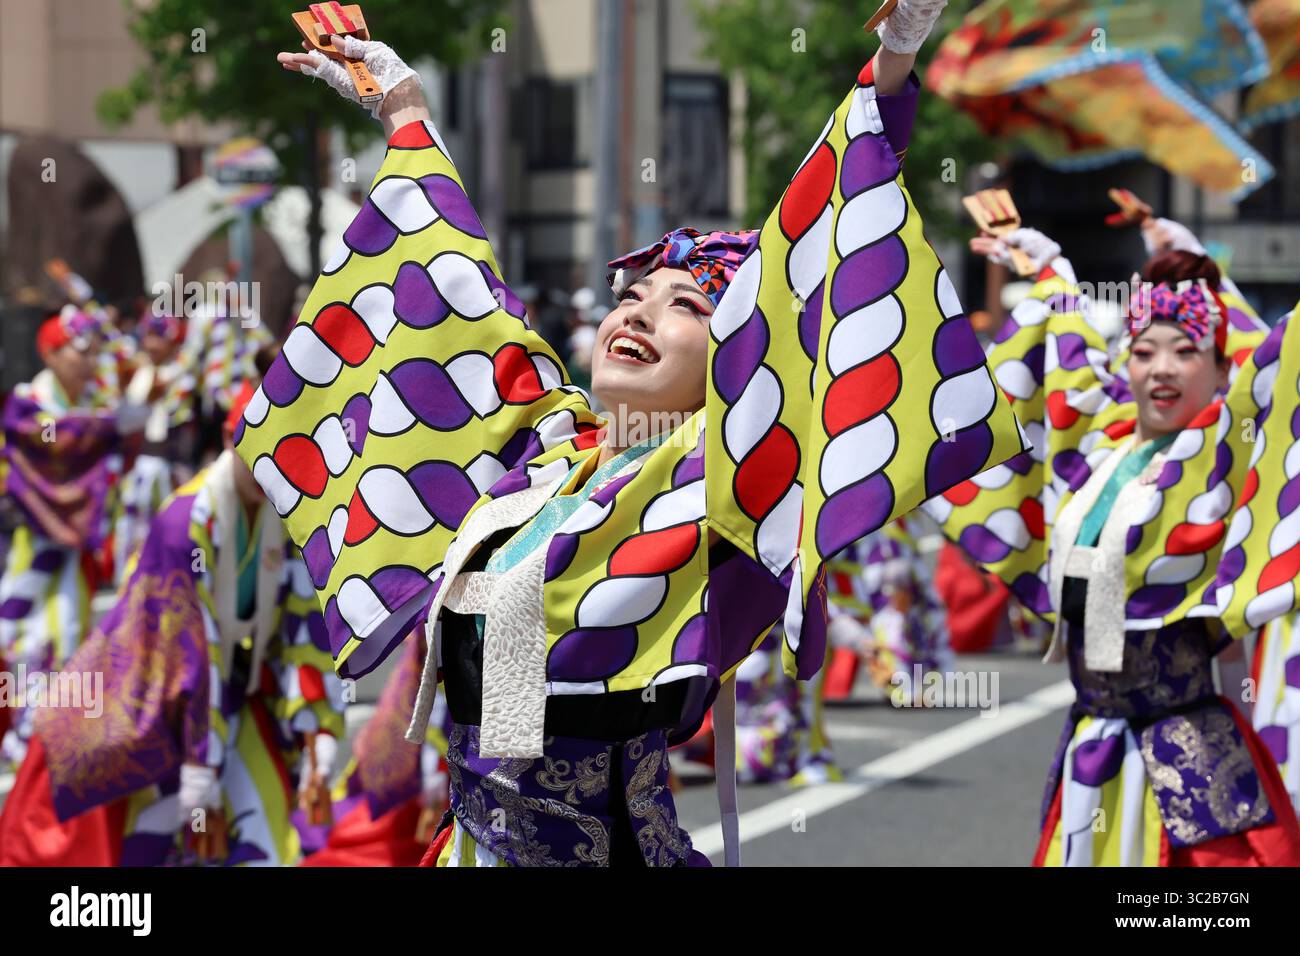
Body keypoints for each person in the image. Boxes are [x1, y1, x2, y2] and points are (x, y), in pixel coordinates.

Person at [240, 0, 1024, 867]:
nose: (637, 315)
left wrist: (893, 67)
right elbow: (461, 295)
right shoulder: (546, 456)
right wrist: (406, 109)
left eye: (688, 305)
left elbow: (830, 243)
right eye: (630, 297)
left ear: (743, 358)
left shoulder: (728, 474)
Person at [932, 223, 1300, 866]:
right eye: (1143, 351)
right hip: (1092, 742)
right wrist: (1053, 273)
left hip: (1189, 747)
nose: (1161, 367)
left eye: (1185, 351)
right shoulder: (1105, 447)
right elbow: (1070, 370)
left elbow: (1276, 365)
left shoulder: (1223, 458)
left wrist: (1214, 278)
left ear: (1221, 369)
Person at [0, 388, 346, 866]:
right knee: (143, 845)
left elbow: (304, 627)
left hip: (224, 701)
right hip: (148, 706)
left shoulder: (287, 516)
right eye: (260, 449)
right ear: (230, 438)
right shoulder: (185, 523)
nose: (272, 469)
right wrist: (201, 763)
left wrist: (318, 728)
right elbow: (192, 652)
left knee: (264, 837)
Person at [0, 307, 146, 769]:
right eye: (77, 352)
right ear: (50, 353)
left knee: (69, 642)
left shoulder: (90, 404)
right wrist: (105, 428)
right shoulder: (28, 402)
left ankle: (45, 747)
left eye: (90, 353)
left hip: (75, 554)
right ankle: (23, 741)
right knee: (23, 639)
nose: (86, 362)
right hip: (29, 542)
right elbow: (56, 440)